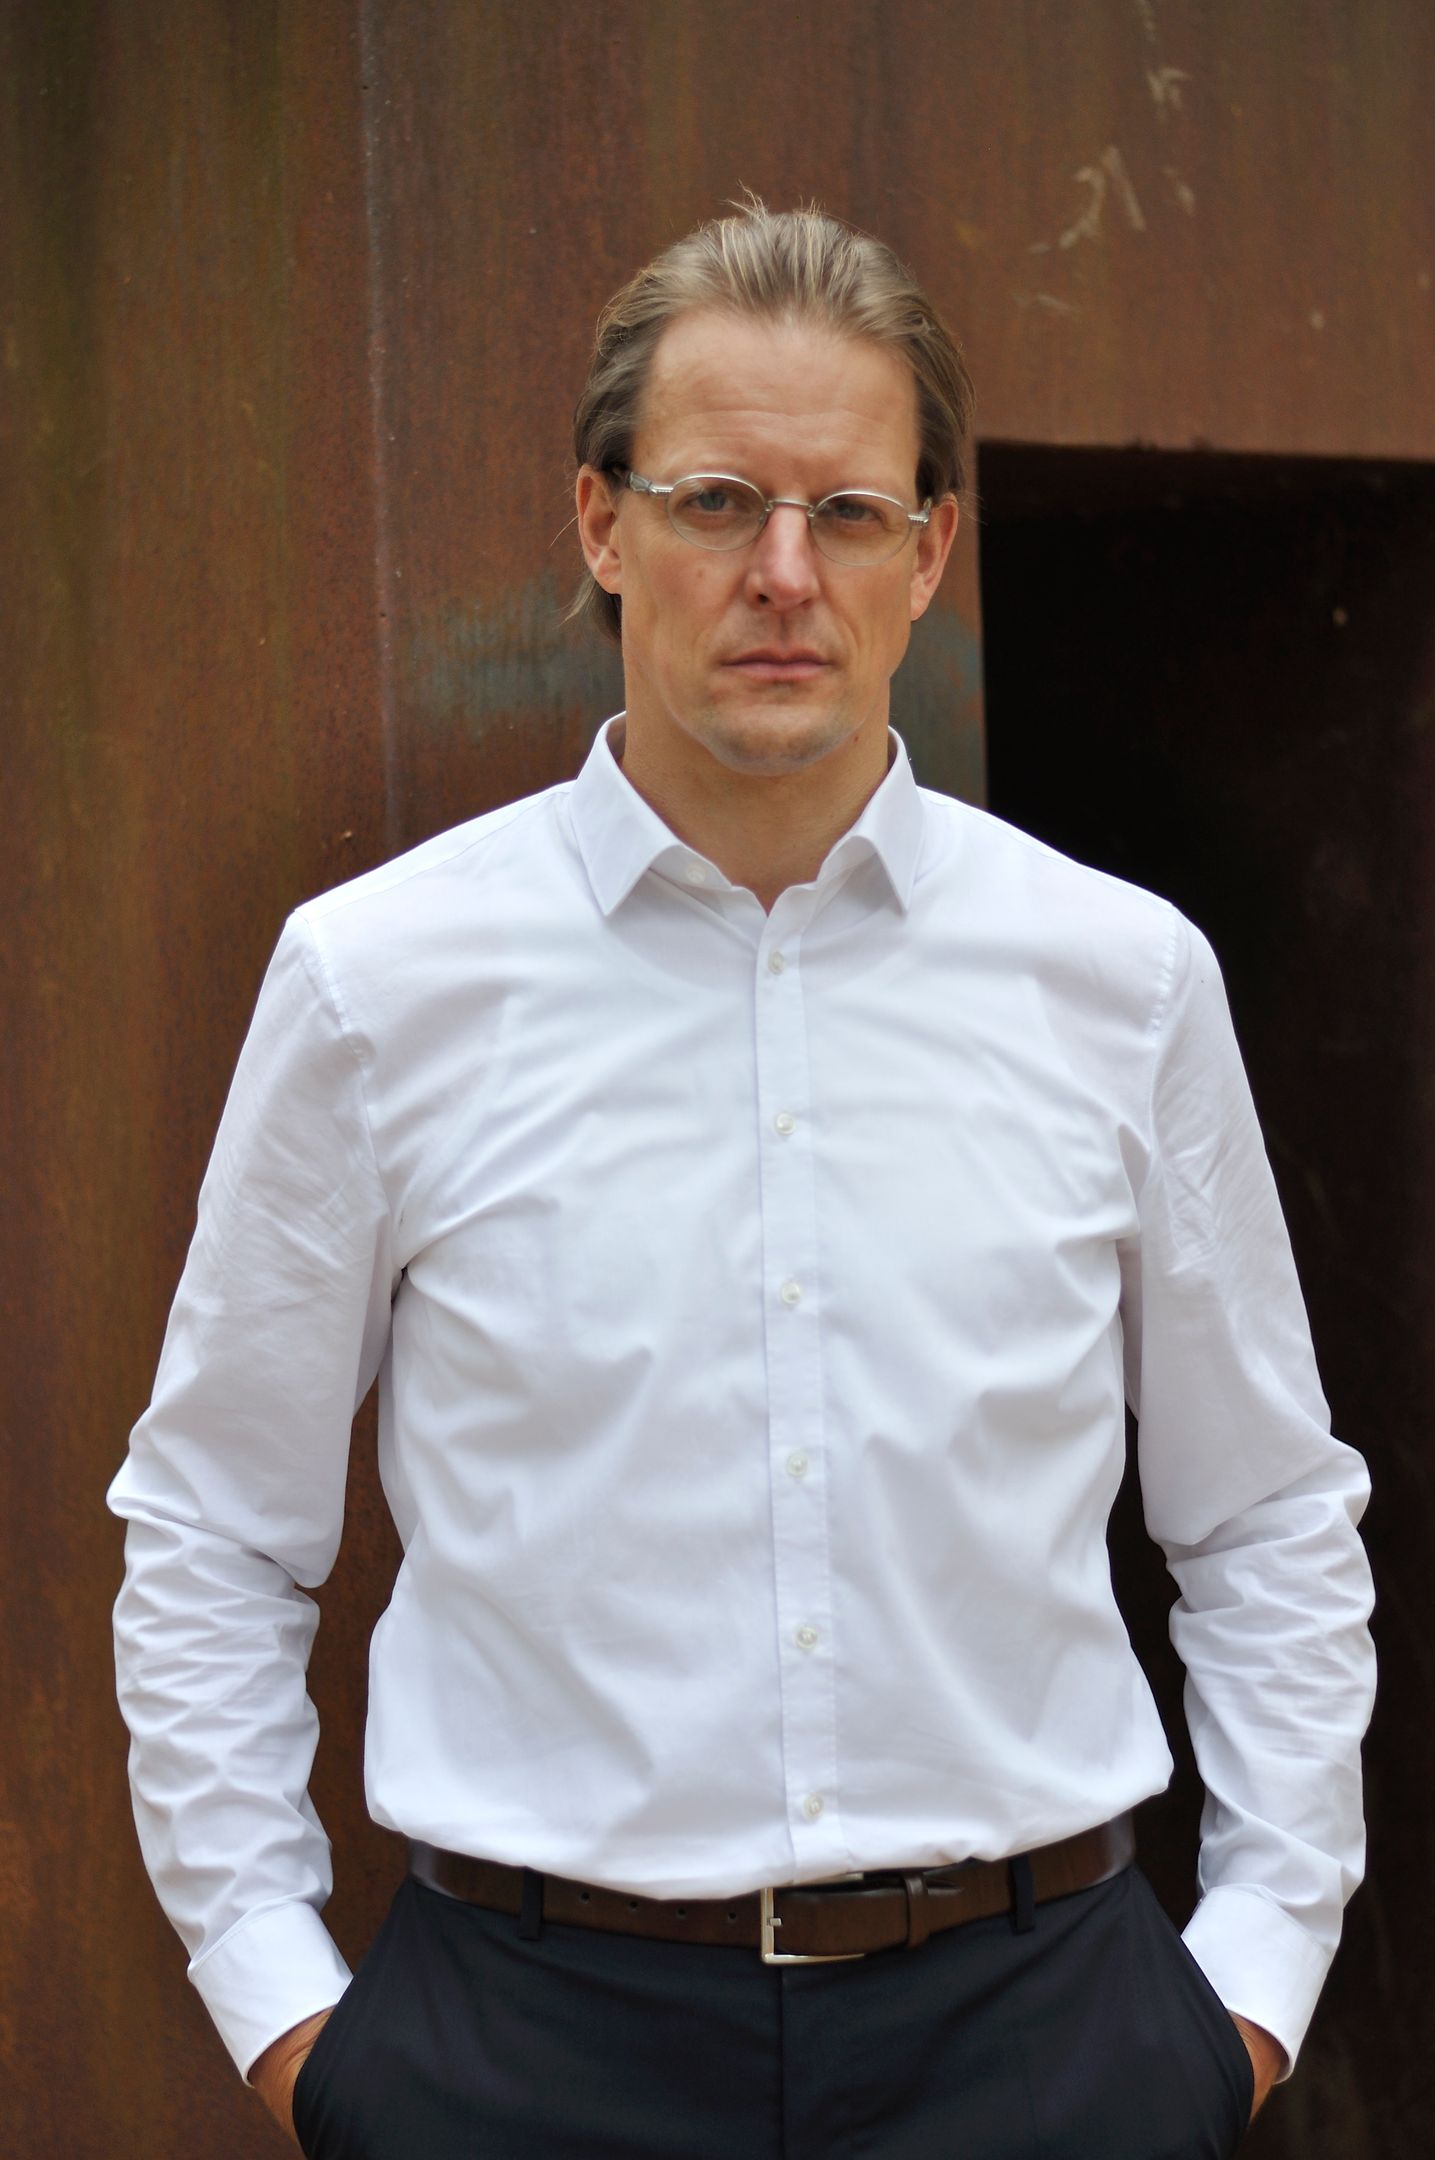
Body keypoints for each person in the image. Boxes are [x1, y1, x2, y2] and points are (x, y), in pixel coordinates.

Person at [110, 202, 1375, 2159]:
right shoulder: (376, 984)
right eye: (715, 501)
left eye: (848, 513)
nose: (783, 573)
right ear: (601, 525)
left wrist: (1250, 1990)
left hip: (1048, 2047)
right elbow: (213, 1527)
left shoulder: (1122, 983)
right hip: (523, 2054)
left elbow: (1266, 1513)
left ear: (928, 552)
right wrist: (291, 2016)